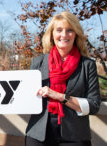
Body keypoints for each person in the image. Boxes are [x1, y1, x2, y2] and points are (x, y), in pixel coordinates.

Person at [25, 11, 101, 146]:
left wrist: (60, 96)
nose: (64, 35)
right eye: (59, 30)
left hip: (75, 136)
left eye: (70, 30)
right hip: (39, 135)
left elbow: (93, 105)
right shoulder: (38, 63)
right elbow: (23, 97)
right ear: (52, 34)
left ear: (76, 34)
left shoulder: (87, 65)